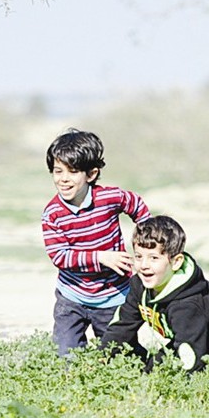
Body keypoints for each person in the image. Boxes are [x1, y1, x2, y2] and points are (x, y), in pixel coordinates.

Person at [41, 129, 151, 357]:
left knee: (122, 355)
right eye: (57, 171)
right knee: (66, 355)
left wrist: (144, 245)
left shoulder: (110, 197)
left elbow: (137, 206)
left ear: (91, 174)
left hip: (113, 295)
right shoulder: (52, 213)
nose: (63, 179)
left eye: (72, 172)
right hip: (72, 297)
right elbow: (59, 256)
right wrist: (100, 257)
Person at [102, 215, 209, 373]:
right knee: (152, 368)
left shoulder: (187, 304)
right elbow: (121, 327)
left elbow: (191, 359)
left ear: (176, 262)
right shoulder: (139, 286)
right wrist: (100, 359)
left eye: (153, 258)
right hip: (195, 334)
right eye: (139, 256)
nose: (144, 265)